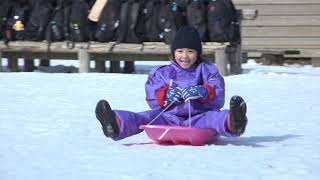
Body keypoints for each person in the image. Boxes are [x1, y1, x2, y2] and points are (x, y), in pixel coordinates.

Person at [95, 26, 248, 141]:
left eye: (190, 51)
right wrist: (165, 96)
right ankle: (115, 123)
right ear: (174, 52)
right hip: (168, 118)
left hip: (199, 117)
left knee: (215, 118)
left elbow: (218, 95)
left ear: (198, 53)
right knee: (146, 117)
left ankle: (234, 121)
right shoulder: (163, 72)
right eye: (180, 51)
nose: (185, 56)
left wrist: (204, 92)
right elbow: (152, 97)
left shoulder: (207, 70)